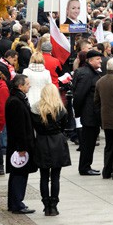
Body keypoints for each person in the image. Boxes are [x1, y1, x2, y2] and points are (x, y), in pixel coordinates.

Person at [32, 84, 70, 216]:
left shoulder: (35, 109)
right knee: (55, 176)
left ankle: (46, 204)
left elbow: (34, 126)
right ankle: (53, 205)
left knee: (43, 176)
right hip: (57, 141)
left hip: (42, 141)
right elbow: (64, 125)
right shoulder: (61, 109)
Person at [5, 74, 37, 214]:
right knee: (19, 174)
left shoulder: (19, 99)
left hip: (21, 144)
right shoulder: (15, 102)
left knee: (18, 174)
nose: (29, 86)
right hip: (20, 146)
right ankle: (17, 203)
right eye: (27, 84)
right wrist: (22, 147)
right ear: (20, 86)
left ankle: (15, 202)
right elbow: (18, 127)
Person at [73, 50, 103, 176]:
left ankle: (86, 165)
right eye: (97, 59)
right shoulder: (86, 74)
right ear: (90, 60)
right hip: (89, 114)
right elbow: (79, 95)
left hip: (92, 113)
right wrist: (79, 113)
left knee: (89, 142)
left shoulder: (91, 72)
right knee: (88, 143)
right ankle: (85, 167)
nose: (100, 61)